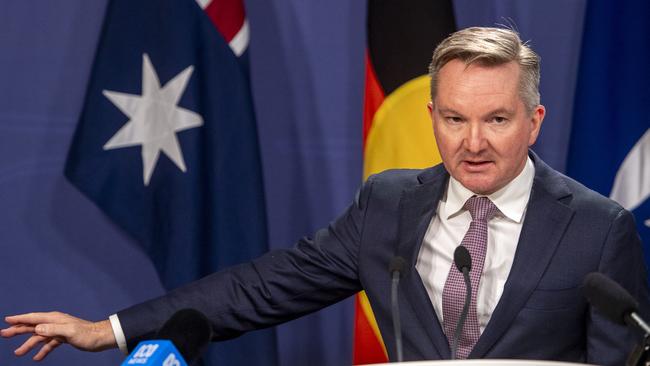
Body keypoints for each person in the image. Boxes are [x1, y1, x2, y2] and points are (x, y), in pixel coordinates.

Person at [2, 27, 649, 364]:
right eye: (455, 118)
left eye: (497, 120)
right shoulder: (389, 207)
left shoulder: (598, 228)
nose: (472, 142)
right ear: (431, 117)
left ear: (534, 121)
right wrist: (111, 329)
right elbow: (262, 287)